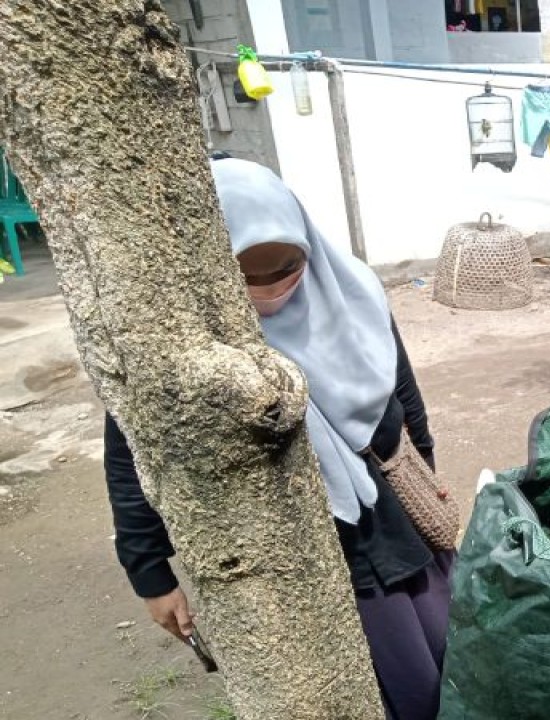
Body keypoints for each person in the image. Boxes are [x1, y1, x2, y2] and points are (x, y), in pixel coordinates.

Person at [104, 158, 452, 720]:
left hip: (393, 515)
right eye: (248, 274)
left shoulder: (352, 292)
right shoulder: (182, 345)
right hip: (294, 544)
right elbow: (132, 453)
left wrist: (426, 473)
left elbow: (402, 395)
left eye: (286, 266)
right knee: (376, 682)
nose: (271, 290)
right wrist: (150, 573)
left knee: (446, 658)